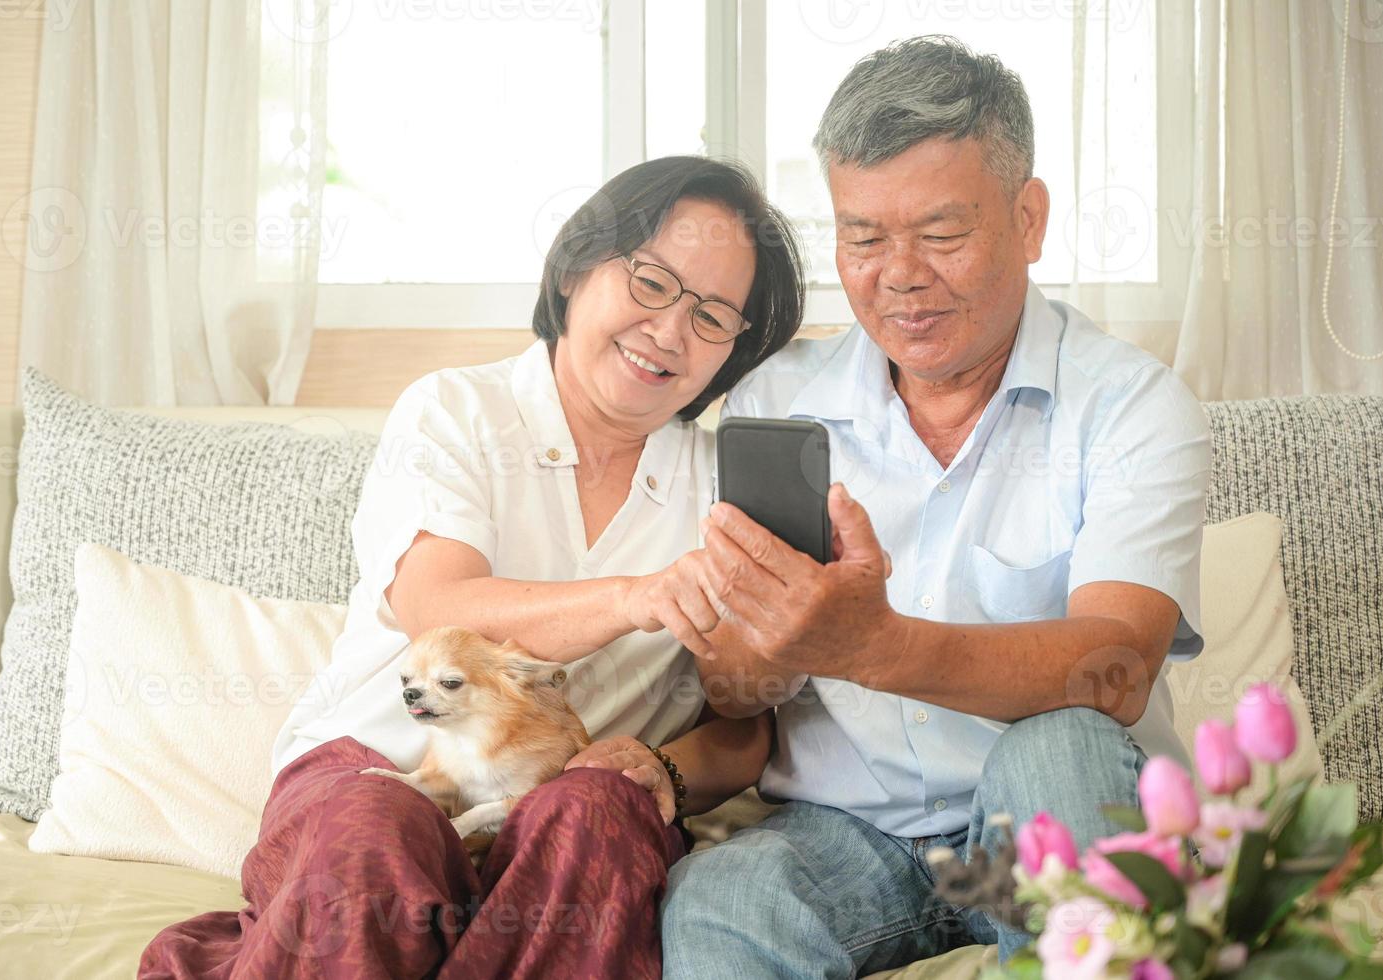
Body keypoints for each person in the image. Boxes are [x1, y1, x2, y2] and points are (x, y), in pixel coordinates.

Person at [138, 155, 804, 979]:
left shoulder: (721, 484)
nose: (670, 331)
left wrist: (663, 767)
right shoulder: (455, 410)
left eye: (712, 316)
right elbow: (437, 605)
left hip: (558, 814)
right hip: (377, 774)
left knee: (599, 813)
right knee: (381, 825)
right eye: (652, 281)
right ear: (574, 268)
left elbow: (747, 726)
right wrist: (638, 598)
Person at [658, 36, 1212, 977]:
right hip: (847, 835)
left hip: (1042, 822)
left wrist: (869, 644)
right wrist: (758, 644)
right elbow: (737, 693)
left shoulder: (1130, 404)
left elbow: (1115, 670)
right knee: (720, 895)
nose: (897, 273)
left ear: (1028, 219)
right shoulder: (771, 405)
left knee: (1062, 747)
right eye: (862, 237)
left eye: (942, 234)